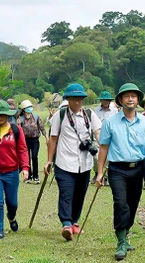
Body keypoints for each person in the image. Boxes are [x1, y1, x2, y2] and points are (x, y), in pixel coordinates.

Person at [96, 83, 145, 261]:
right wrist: (100, 172)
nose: (130, 99)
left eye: (133, 96)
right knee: (120, 202)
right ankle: (121, 241)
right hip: (117, 169)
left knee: (132, 204)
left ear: (138, 100)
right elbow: (103, 147)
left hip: (138, 168)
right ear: (120, 100)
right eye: (126, 96)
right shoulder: (110, 122)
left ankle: (125, 233)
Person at [44, 83, 101, 241]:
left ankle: (75, 222)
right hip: (64, 162)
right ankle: (66, 223)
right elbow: (53, 138)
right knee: (66, 193)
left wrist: (102, 146)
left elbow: (98, 131)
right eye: (74, 99)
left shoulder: (89, 114)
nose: (77, 102)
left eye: (80, 99)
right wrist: (49, 160)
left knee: (80, 194)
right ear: (67, 99)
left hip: (85, 163)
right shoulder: (60, 115)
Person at [0, 100, 29, 242]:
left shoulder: (16, 130)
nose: (0, 117)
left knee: (12, 203)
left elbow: (22, 150)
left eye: (2, 114)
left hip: (12, 172)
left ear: (7, 115)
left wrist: (25, 168)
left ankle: (11, 217)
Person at [91, 91, 118, 184]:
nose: (105, 102)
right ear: (101, 100)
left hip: (110, 136)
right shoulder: (95, 110)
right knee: (95, 157)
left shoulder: (114, 111)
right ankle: (96, 172)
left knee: (107, 157)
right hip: (97, 135)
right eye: (103, 100)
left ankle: (105, 176)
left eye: (107, 100)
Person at [18, 99, 48, 184]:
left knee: (34, 157)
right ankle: (29, 177)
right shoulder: (20, 119)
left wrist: (46, 137)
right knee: (27, 159)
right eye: (28, 107)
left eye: (30, 107)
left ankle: (36, 176)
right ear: (23, 109)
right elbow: (18, 130)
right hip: (25, 141)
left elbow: (41, 127)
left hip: (35, 141)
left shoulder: (36, 117)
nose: (30, 108)